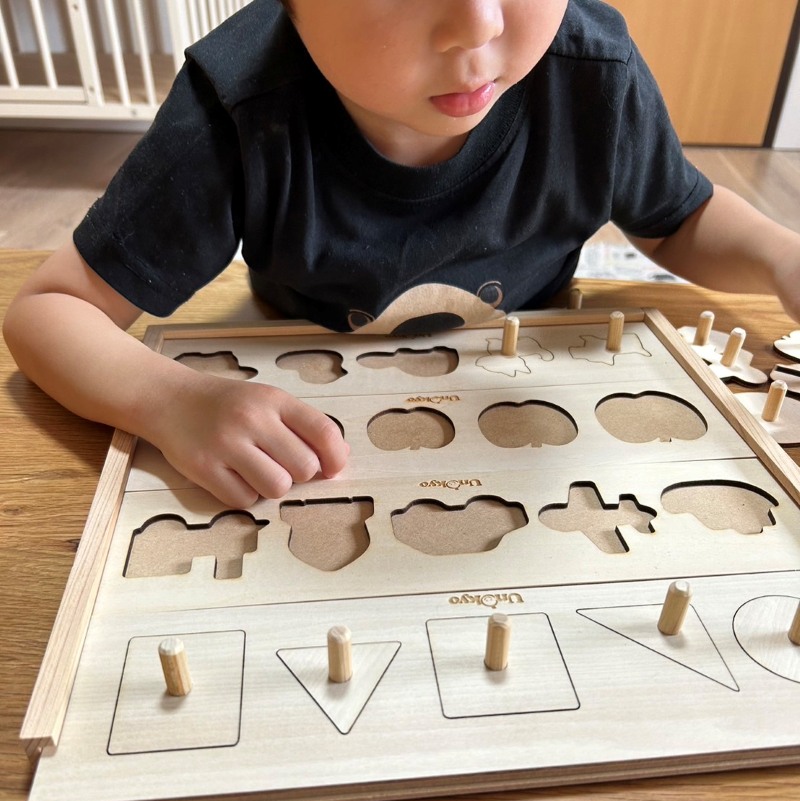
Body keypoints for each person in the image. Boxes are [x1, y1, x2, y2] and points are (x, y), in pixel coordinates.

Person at [5, 0, 800, 508]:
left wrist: (779, 255)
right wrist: (171, 402)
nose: (478, 25)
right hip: (319, 406)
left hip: (534, 399)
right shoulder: (239, 107)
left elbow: (679, 219)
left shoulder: (594, 73)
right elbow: (48, 310)